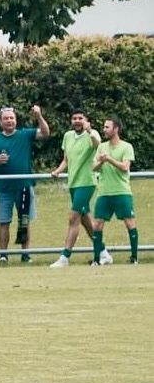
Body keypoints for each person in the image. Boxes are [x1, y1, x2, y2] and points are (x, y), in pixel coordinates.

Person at [0, 105, 50, 263]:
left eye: (11, 118)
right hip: (4, 188)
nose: (9, 121)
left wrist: (39, 115)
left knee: (24, 221)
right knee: (4, 222)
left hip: (24, 187)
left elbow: (46, 133)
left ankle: (25, 254)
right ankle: (3, 255)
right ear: (1, 122)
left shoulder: (25, 134)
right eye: (6, 118)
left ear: (16, 120)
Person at [48, 109, 101, 267]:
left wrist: (90, 130)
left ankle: (65, 256)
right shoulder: (68, 136)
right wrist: (57, 171)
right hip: (74, 183)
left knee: (73, 217)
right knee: (85, 220)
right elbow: (67, 159)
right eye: (74, 118)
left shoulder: (92, 134)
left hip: (87, 182)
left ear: (86, 120)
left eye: (80, 118)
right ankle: (103, 252)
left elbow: (98, 144)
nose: (77, 121)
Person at [91, 117, 139, 266]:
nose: (104, 130)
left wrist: (109, 159)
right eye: (104, 127)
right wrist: (101, 161)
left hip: (122, 191)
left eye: (107, 127)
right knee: (97, 224)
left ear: (116, 129)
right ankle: (97, 259)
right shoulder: (101, 147)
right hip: (104, 192)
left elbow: (125, 167)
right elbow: (94, 167)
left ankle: (134, 258)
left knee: (129, 222)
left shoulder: (126, 147)